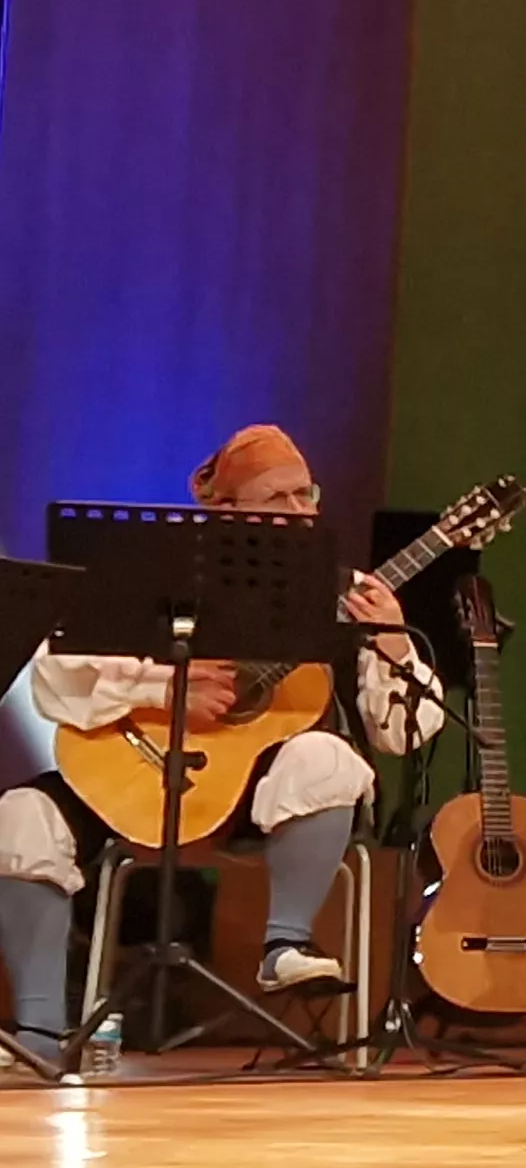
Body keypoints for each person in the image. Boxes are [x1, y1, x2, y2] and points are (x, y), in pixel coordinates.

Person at [0, 425, 444, 1055]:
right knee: (20, 818)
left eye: (306, 493)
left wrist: (395, 641)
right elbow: (55, 678)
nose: (299, 511)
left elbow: (405, 733)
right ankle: (41, 1035)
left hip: (265, 800)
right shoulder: (158, 578)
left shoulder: (350, 594)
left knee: (325, 756)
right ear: (227, 512)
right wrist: (162, 690)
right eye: (277, 498)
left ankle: (285, 945)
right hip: (141, 781)